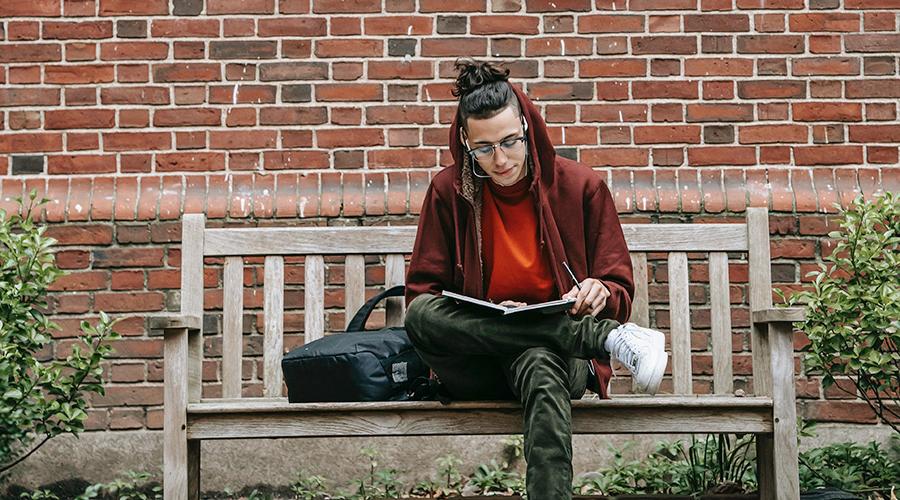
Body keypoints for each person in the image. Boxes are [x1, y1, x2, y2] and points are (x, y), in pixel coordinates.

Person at [403, 59, 668, 499]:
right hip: (478, 359)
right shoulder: (450, 191)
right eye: (483, 149)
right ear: (465, 142)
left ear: (528, 126)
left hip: (553, 356)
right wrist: (494, 319)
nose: (500, 159)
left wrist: (600, 290)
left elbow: (617, 284)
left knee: (541, 364)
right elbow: (423, 294)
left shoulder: (580, 187)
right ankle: (606, 339)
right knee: (420, 316)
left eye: (509, 141)